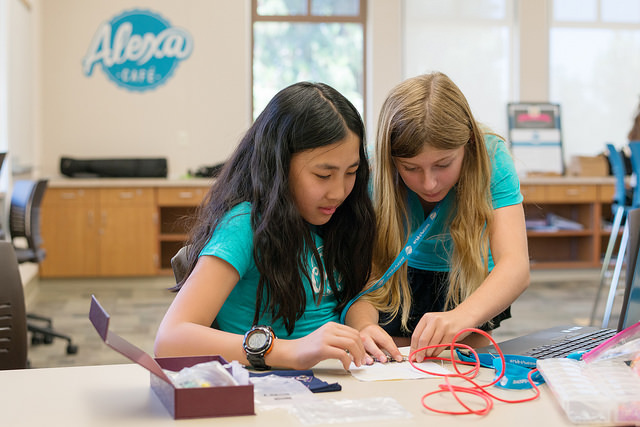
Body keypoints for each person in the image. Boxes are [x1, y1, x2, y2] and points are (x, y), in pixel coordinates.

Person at [154, 82, 376, 371]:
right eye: (323, 175)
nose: (338, 191)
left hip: (344, 378)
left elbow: (360, 292)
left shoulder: (343, 213)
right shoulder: (244, 225)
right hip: (274, 387)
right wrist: (288, 350)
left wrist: (364, 327)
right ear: (279, 165)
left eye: (351, 172)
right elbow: (169, 341)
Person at [346, 72, 530, 363]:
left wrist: (461, 317)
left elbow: (516, 265)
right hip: (398, 281)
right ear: (390, 158)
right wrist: (364, 327)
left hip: (464, 280)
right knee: (395, 356)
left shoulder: (492, 157)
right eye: (410, 168)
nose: (429, 183)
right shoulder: (372, 169)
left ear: (468, 143)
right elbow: (367, 275)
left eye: (443, 165)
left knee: (464, 356)